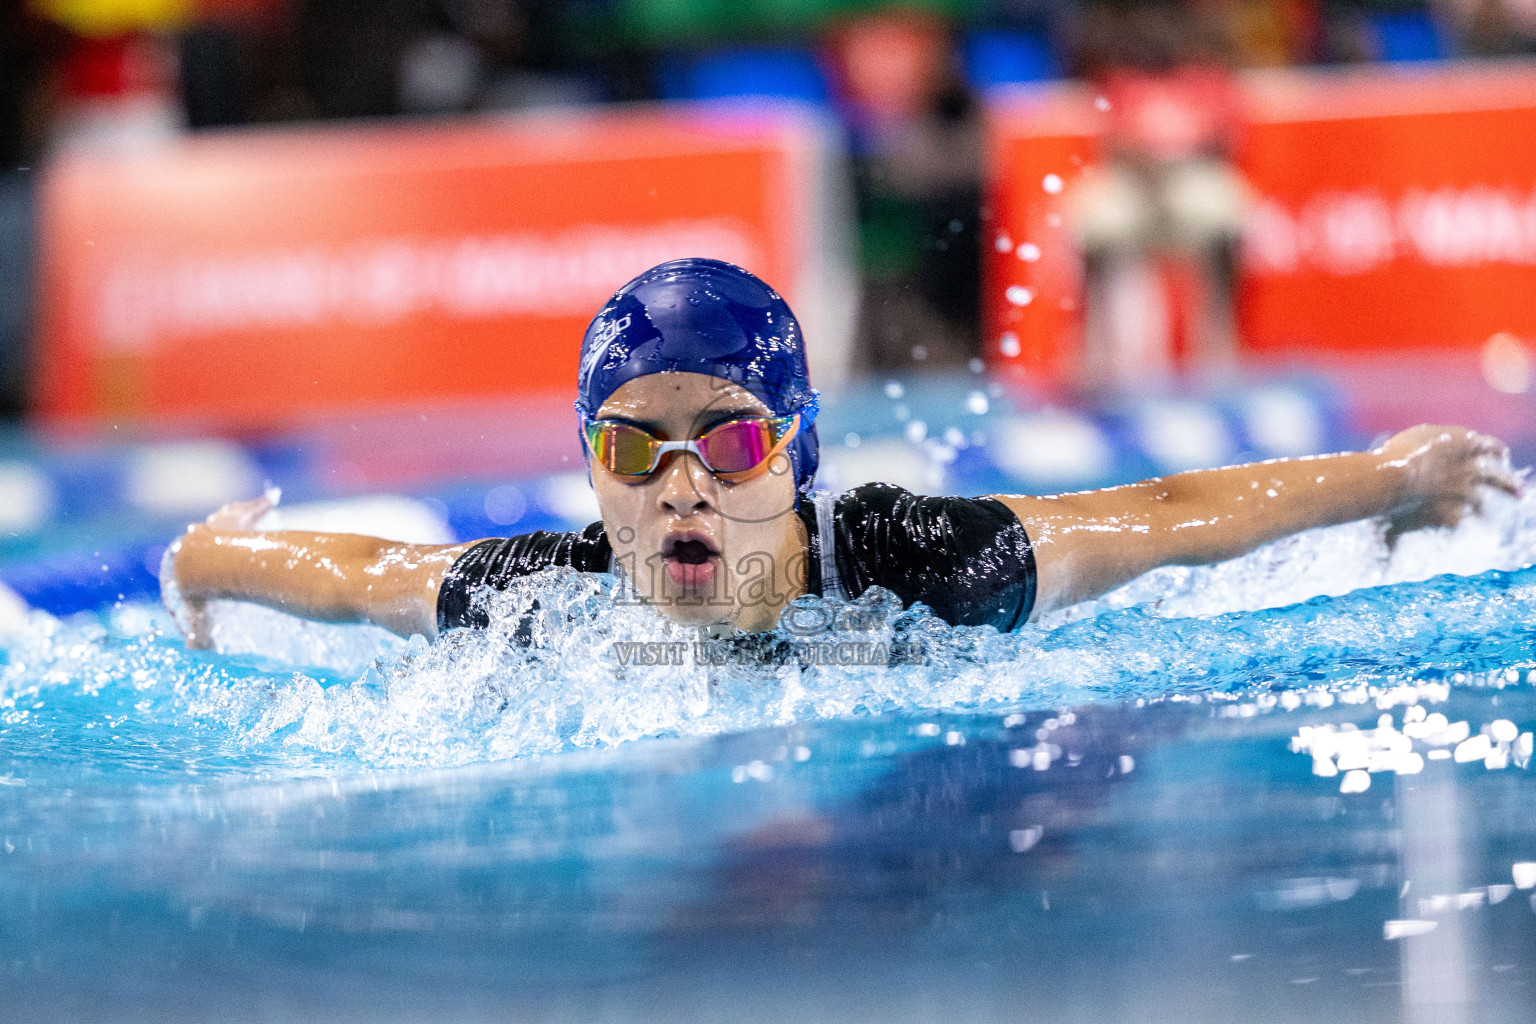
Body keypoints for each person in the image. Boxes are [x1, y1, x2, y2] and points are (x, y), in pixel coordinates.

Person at [165, 258, 1517, 649]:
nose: (684, 483)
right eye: (637, 452)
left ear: (797, 456)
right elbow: (364, 574)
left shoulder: (921, 565)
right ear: (590, 470)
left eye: (731, 441)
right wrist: (215, 556)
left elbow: (1165, 512)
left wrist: (1392, 476)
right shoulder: (548, 596)